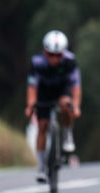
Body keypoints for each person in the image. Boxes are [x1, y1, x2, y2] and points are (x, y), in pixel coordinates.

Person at [25, 30, 81, 183]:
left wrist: (75, 106)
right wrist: (30, 105)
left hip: (62, 89)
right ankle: (42, 166)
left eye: (58, 55)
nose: (54, 59)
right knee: (42, 126)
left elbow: (76, 86)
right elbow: (32, 87)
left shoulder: (70, 61)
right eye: (51, 55)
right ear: (45, 51)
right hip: (44, 91)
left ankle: (68, 133)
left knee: (65, 104)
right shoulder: (37, 63)